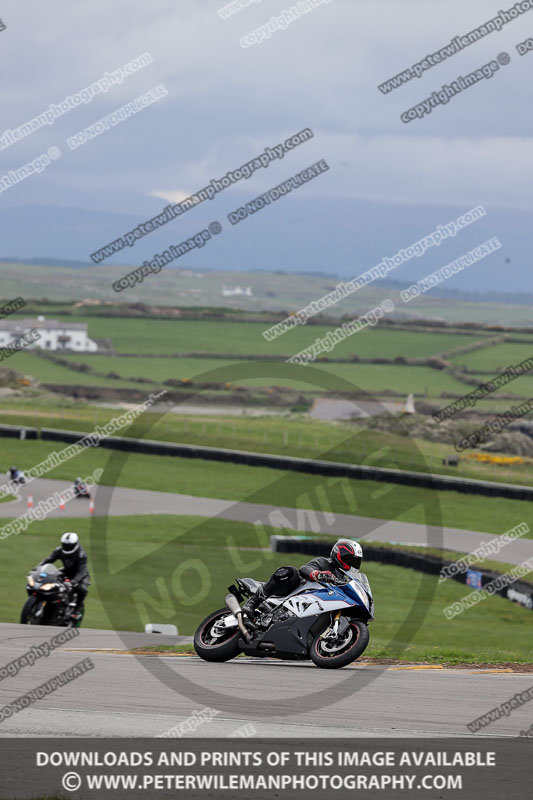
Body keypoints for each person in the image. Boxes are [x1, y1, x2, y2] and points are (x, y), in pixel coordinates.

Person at [242, 538, 363, 618]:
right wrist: (318, 574)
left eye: (356, 561)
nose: (353, 563)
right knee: (290, 571)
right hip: (293, 594)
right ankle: (252, 602)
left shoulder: (345, 579)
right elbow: (305, 569)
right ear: (339, 554)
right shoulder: (323, 562)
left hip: (316, 607)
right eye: (351, 559)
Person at [38, 532, 90, 621]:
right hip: (66, 571)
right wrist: (38, 568)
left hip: (80, 575)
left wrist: (73, 582)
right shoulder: (59, 550)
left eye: (69, 545)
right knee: (51, 578)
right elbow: (49, 559)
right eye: (65, 545)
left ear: (75, 544)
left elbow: (82, 570)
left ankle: (77, 610)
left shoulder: (81, 554)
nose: (67, 547)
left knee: (82, 590)